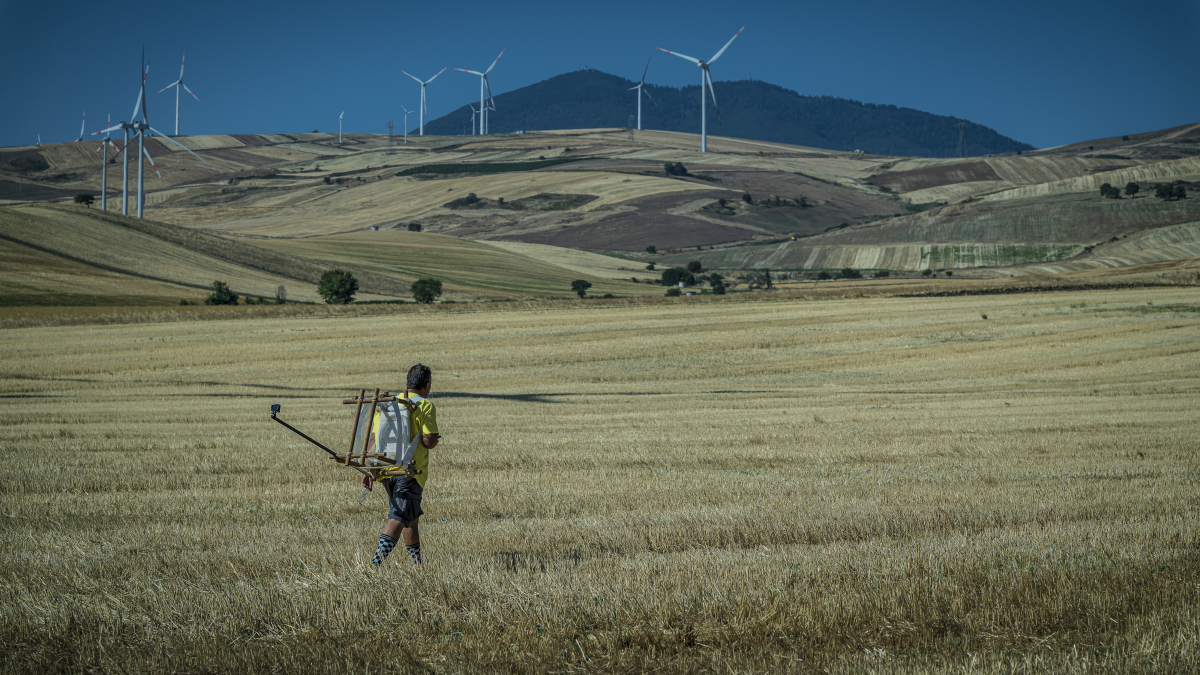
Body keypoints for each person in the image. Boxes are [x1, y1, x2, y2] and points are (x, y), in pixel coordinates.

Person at [362, 363, 439, 566]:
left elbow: (374, 440)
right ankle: (375, 564)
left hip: (386, 470)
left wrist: (370, 471)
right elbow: (428, 442)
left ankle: (418, 565)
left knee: (410, 520)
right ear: (427, 385)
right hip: (409, 472)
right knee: (398, 518)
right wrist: (435, 437)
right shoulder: (424, 405)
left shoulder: (389, 404)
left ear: (407, 384)